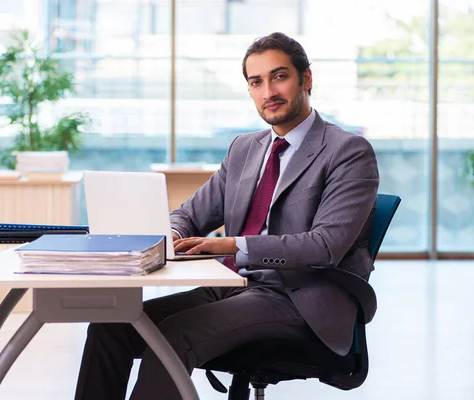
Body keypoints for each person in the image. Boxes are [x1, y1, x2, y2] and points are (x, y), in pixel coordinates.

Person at [74, 32, 379, 400]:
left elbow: (325, 246)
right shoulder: (244, 149)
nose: (269, 91)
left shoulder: (347, 151)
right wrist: (170, 233)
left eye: (279, 76)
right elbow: (190, 213)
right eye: (256, 82)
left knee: (174, 335)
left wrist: (233, 244)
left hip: (296, 297)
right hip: (231, 287)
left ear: (306, 79)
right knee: (113, 326)